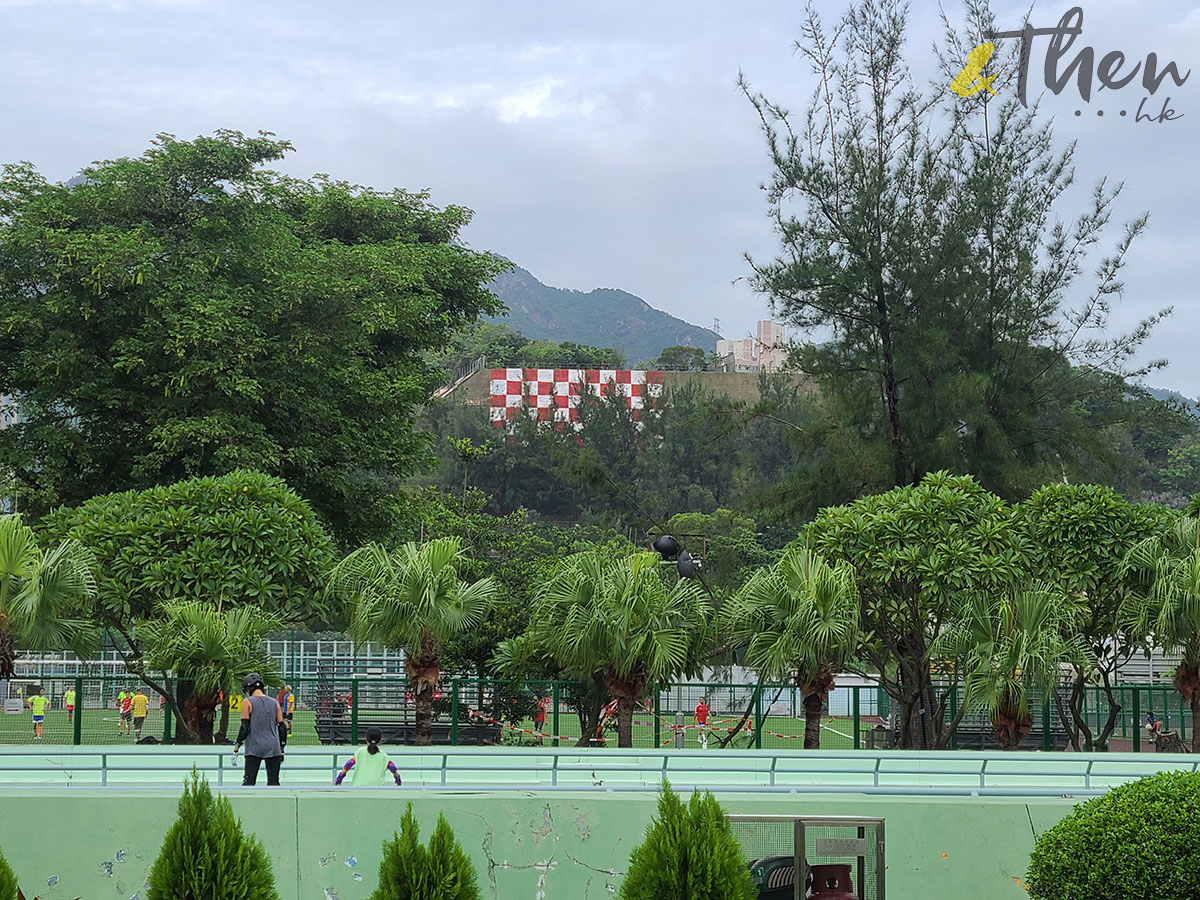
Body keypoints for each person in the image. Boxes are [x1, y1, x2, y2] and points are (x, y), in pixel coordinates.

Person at [233, 673, 286, 786]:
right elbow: (282, 727)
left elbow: (244, 727)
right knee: (274, 783)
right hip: (273, 746)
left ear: (248, 688)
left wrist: (237, 745)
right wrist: (282, 748)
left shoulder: (247, 702)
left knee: (249, 782)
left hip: (254, 747)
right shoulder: (275, 703)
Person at [334, 727, 403, 786]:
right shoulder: (383, 755)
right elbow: (392, 767)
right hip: (377, 786)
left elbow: (349, 764)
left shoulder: (360, 752)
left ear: (366, 739)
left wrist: (341, 777)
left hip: (359, 784)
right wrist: (397, 777)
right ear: (380, 740)